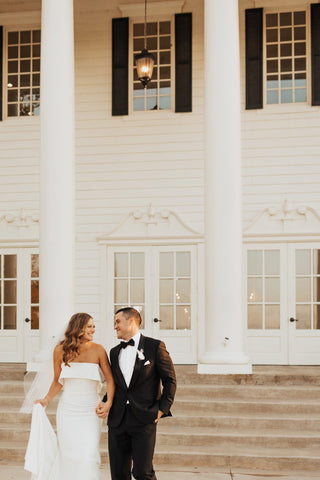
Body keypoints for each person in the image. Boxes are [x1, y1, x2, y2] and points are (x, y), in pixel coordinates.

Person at [24, 312, 115, 480]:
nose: (93, 329)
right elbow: (58, 381)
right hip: (68, 410)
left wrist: (108, 402)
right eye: (89, 326)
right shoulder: (60, 350)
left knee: (88, 455)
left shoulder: (99, 350)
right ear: (78, 327)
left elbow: (110, 380)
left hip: (90, 410)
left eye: (94, 326)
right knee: (69, 454)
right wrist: (46, 399)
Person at [96, 307, 176, 480]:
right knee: (118, 475)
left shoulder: (155, 346)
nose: (115, 326)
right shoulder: (114, 352)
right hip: (118, 420)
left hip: (144, 418)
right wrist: (105, 401)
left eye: (117, 322)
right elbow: (117, 384)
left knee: (143, 473)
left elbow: (170, 380)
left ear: (131, 320)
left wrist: (161, 410)